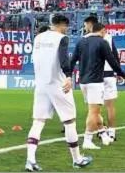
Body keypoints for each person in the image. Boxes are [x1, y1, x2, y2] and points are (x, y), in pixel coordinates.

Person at [25, 14, 92, 172]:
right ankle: (77, 159)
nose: (65, 30)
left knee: (38, 122)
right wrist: (69, 76)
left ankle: (30, 160)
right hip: (58, 85)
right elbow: (63, 60)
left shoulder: (38, 38)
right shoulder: (61, 38)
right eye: (65, 27)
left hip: (41, 85)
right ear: (63, 25)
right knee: (69, 122)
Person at [73, 22, 125, 150]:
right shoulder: (103, 42)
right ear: (102, 30)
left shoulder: (81, 41)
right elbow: (113, 60)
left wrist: (68, 76)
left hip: (83, 80)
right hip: (96, 80)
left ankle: (103, 133)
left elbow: (73, 60)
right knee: (95, 111)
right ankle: (88, 140)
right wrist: (122, 74)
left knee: (94, 110)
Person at [83, 16, 121, 141]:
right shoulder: (108, 37)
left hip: (94, 75)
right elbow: (115, 56)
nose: (85, 27)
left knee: (94, 106)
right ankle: (110, 132)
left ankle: (101, 131)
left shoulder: (85, 39)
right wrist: (119, 72)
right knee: (109, 105)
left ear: (90, 24)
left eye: (86, 25)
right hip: (109, 74)